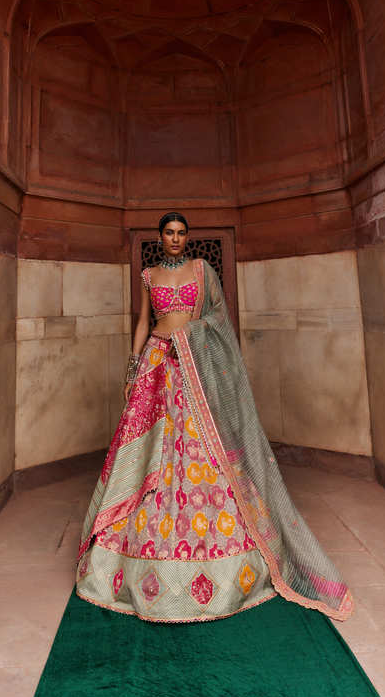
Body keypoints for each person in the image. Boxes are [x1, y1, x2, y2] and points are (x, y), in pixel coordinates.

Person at [76, 213, 353, 623]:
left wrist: (190, 335)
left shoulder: (202, 270)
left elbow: (220, 318)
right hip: (157, 363)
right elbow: (142, 321)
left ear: (187, 237)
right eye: (168, 233)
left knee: (200, 450)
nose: (175, 239)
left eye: (181, 233)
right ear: (159, 238)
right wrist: (134, 368)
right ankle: (128, 558)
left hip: (194, 366)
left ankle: (225, 553)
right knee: (150, 453)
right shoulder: (148, 275)